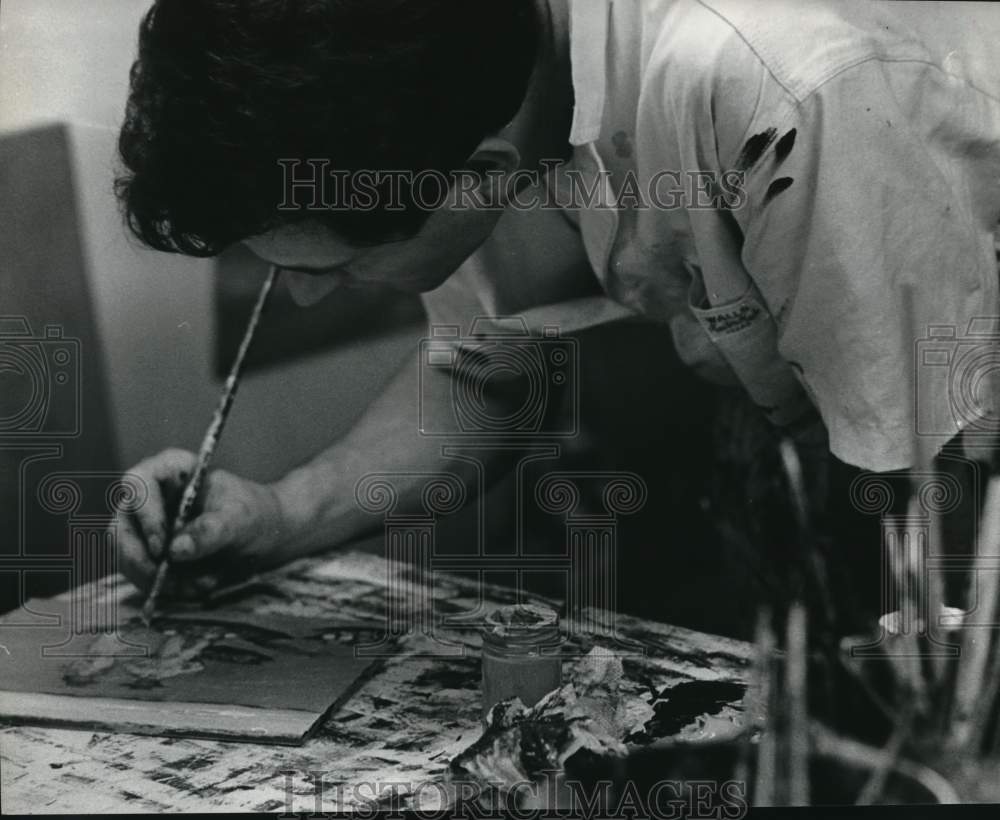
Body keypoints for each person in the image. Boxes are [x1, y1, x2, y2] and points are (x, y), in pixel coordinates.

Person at [114, 0, 1000, 620]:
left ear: (485, 178)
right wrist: (278, 515)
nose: (304, 295)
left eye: (341, 268)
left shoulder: (776, 81)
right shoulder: (449, 75)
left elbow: (942, 475)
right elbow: (490, 375)